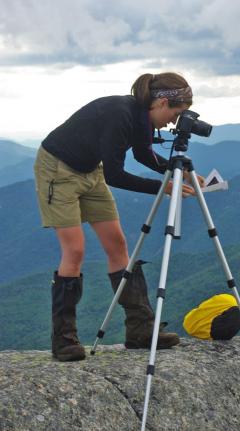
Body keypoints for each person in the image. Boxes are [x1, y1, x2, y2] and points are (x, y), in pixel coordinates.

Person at [34, 72, 205, 362]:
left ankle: (140, 330)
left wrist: (180, 171)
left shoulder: (141, 117)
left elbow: (142, 154)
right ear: (162, 102)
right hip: (57, 171)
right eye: (175, 114)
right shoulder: (120, 114)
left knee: (118, 246)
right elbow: (115, 175)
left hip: (90, 172)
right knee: (74, 250)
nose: (172, 122)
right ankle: (64, 339)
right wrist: (163, 188)